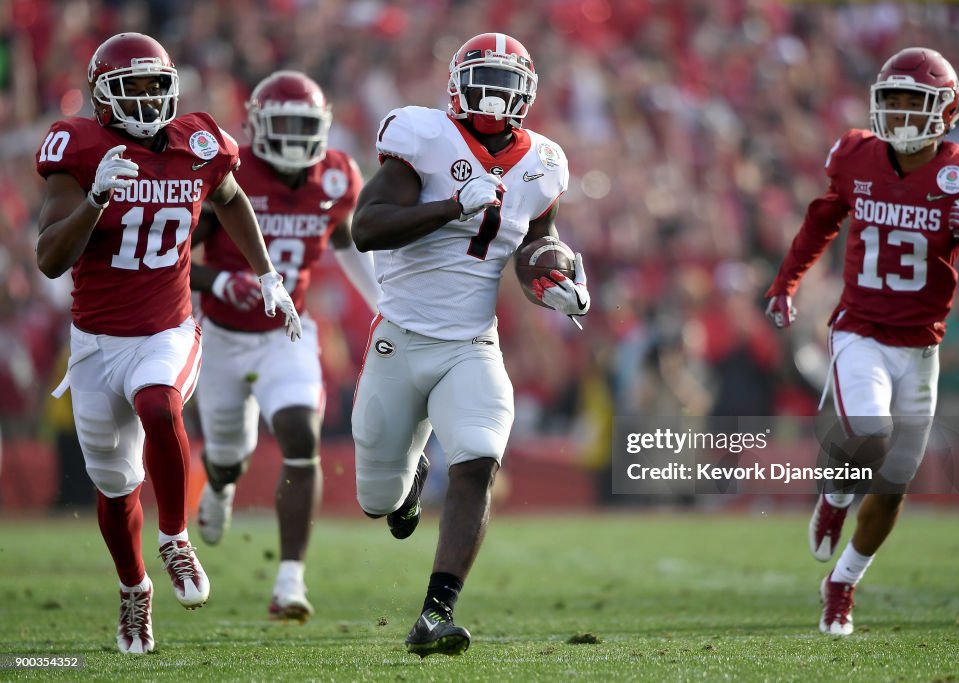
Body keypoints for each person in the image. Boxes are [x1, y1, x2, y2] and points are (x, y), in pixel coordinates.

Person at [35, 32, 301, 655]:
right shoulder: (78, 148)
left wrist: (267, 276)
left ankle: (176, 538)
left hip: (167, 328)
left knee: (160, 403)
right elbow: (50, 259)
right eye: (135, 87)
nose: (151, 98)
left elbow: (231, 200)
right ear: (103, 96)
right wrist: (97, 197)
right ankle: (134, 592)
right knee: (115, 487)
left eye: (159, 85)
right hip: (96, 342)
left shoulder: (200, 142)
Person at [350, 32, 590, 657]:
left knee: (481, 458)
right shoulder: (422, 136)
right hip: (399, 341)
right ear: (456, 82)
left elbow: (536, 244)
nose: (496, 93)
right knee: (376, 498)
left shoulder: (545, 163)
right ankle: (407, 484)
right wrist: (452, 205)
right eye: (485, 77)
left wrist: (555, 277)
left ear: (528, 95)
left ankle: (436, 612)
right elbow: (366, 228)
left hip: (471, 344)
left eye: (509, 83)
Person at [764, 47, 959, 636]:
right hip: (860, 329)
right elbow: (822, 218)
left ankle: (841, 584)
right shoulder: (855, 155)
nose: (898, 115)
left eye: (912, 103)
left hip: (922, 346)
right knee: (870, 432)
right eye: (889, 101)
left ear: (945, 111)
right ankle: (835, 500)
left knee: (895, 488)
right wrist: (786, 282)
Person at [189, 70, 379, 622]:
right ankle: (221, 486)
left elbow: (344, 238)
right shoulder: (231, 170)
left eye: (306, 125)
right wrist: (221, 282)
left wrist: (383, 302)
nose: (297, 137)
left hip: (286, 334)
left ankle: (290, 579)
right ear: (255, 126)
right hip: (221, 333)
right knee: (227, 454)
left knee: (300, 430)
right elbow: (173, 256)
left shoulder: (337, 174)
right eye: (285, 124)